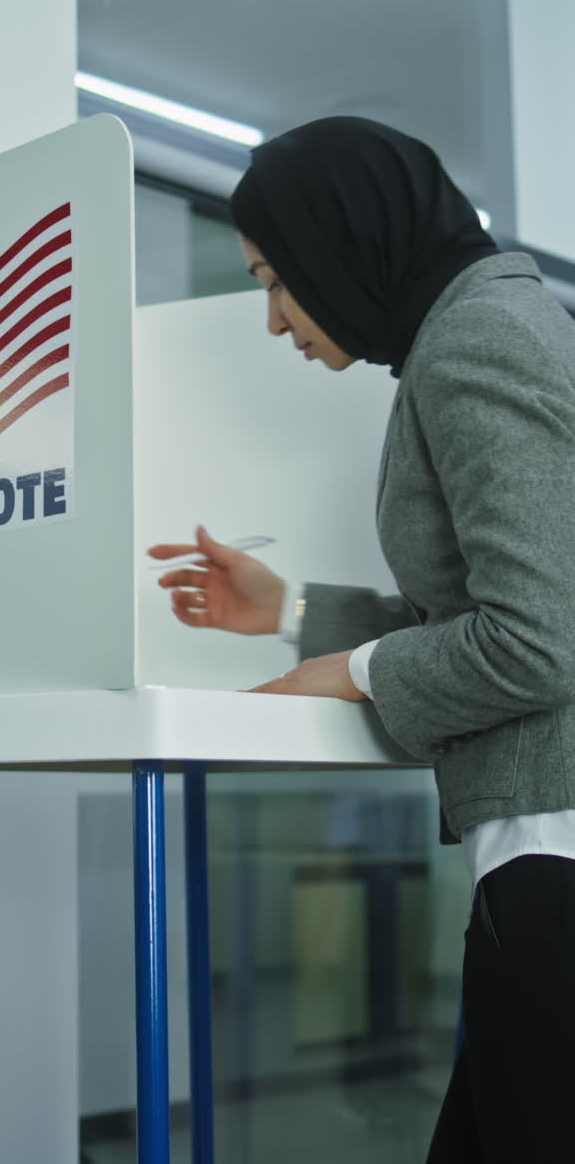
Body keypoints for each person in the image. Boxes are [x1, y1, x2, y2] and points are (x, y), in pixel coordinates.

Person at [147, 116, 575, 1162]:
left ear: (344, 241)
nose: (273, 318)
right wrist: (290, 614)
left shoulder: (477, 336)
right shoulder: (500, 319)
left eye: (273, 278)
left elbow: (544, 636)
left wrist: (354, 668)